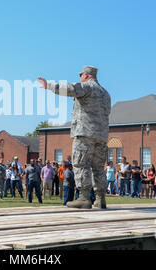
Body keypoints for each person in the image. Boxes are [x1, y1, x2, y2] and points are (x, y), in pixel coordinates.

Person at [39, 65, 111, 209]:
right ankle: (100, 198)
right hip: (102, 136)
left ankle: (84, 197)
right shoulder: (105, 93)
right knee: (98, 167)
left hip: (85, 133)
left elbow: (70, 88)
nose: (80, 78)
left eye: (81, 76)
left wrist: (49, 86)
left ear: (86, 76)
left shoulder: (87, 87)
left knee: (81, 164)